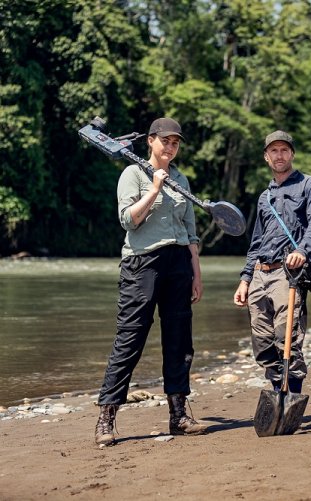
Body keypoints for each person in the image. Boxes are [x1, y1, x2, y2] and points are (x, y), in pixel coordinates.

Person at [95, 117, 207, 446]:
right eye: (165, 141)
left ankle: (179, 415)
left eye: (175, 143)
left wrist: (196, 274)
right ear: (150, 141)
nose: (170, 147)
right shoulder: (133, 174)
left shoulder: (182, 179)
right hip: (141, 263)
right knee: (129, 340)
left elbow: (190, 233)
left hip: (178, 265)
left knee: (179, 342)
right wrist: (155, 188)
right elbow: (128, 220)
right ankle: (107, 417)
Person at [233, 130, 311, 394]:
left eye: (284, 150)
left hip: (289, 274)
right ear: (266, 157)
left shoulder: (310, 185)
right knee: (262, 343)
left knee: (287, 338)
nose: (279, 155)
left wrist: (303, 251)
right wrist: (245, 279)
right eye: (273, 151)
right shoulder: (265, 197)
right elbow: (256, 242)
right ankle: (277, 390)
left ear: (292, 154)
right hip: (260, 274)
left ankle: (291, 395)